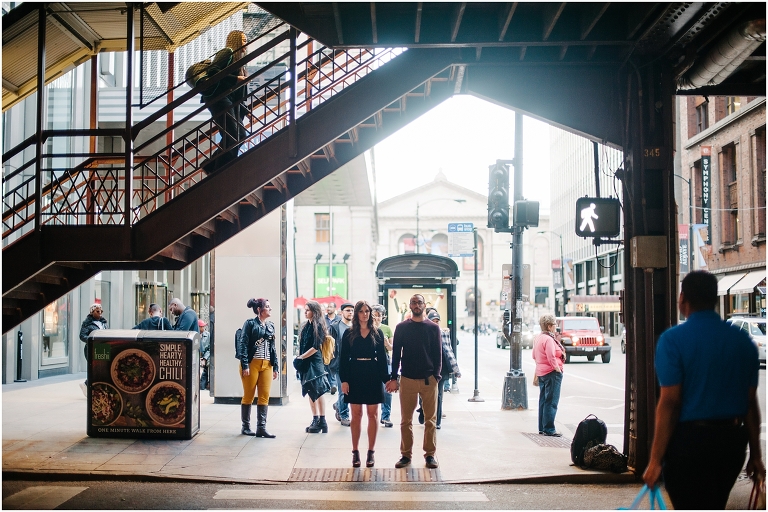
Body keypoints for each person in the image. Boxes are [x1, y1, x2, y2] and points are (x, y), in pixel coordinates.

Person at [643, 271, 764, 509]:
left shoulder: (673, 340)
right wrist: (756, 455)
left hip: (689, 444)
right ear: (715, 299)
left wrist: (655, 460)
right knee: (715, 503)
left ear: (683, 298)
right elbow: (750, 403)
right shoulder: (742, 341)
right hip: (731, 444)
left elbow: (670, 402)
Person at [386, 294, 442, 469]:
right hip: (407, 379)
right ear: (410, 306)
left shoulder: (433, 328)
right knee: (405, 420)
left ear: (424, 305)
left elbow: (438, 354)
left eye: (419, 302)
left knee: (430, 420)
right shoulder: (402, 327)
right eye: (413, 302)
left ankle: (430, 455)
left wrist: (436, 376)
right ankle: (405, 455)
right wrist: (393, 377)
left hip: (428, 380)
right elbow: (396, 354)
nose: (416, 305)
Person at [339, 301, 389, 468]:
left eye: (367, 311)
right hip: (354, 373)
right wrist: (344, 380)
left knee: (373, 414)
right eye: (361, 311)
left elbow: (382, 358)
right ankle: (355, 452)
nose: (364, 314)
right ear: (356, 314)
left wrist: (387, 379)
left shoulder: (377, 333)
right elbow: (343, 358)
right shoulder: (349, 333)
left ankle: (371, 452)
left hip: (373, 374)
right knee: (356, 414)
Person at [202, 30, 249, 173]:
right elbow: (212, 71)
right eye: (243, 40)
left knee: (240, 135)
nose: (246, 43)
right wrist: (235, 79)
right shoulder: (227, 52)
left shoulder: (240, 62)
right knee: (233, 136)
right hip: (220, 98)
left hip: (231, 101)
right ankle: (220, 171)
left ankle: (210, 166)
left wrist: (245, 111)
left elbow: (238, 93)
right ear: (235, 41)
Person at [238, 298, 279, 438]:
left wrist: (275, 366)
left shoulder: (271, 325)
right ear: (259, 310)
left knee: (264, 396)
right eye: (267, 306)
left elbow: (273, 348)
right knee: (248, 395)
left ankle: (261, 428)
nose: (270, 309)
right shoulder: (250, 323)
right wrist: (245, 365)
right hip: (252, 364)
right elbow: (243, 344)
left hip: (267, 365)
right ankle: (245, 427)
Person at [296, 300, 332, 433]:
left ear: (314, 311)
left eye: (308, 310)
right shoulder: (306, 326)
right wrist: (301, 358)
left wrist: (301, 357)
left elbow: (316, 347)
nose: (305, 312)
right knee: (310, 391)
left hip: (315, 363)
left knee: (319, 391)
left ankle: (322, 421)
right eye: (305, 310)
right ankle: (315, 419)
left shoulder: (319, 326)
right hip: (306, 363)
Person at [426, 310, 461, 430]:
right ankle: (425, 414)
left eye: (437, 321)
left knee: (439, 395)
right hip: (427, 369)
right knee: (427, 395)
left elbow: (449, 351)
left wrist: (456, 370)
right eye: (433, 321)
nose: (435, 323)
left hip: (441, 369)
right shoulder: (424, 333)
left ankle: (437, 421)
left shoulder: (444, 334)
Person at [532, 314, 564, 437]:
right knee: (551, 402)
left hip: (542, 373)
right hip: (552, 373)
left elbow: (534, 355)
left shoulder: (538, 338)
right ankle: (549, 429)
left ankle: (542, 427)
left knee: (543, 400)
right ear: (549, 326)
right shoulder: (549, 339)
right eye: (555, 324)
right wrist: (557, 369)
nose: (556, 326)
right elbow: (551, 357)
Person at [331, 302, 354, 427]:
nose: (350, 312)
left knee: (352, 389)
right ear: (341, 312)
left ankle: (338, 405)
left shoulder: (356, 326)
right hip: (340, 363)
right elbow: (330, 345)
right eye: (348, 310)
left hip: (354, 363)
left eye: (352, 310)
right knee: (343, 390)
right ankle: (344, 415)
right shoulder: (335, 327)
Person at [371, 304, 394, 428]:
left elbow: (391, 348)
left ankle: (386, 416)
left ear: (383, 317)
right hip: (370, 361)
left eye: (379, 315)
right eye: (374, 315)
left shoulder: (387, 329)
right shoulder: (366, 328)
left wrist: (386, 344)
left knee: (387, 389)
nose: (376, 318)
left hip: (385, 360)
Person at [79, 303, 107, 396]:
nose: (100, 313)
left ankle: (96, 388)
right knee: (94, 369)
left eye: (101, 311)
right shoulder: (87, 323)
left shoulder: (104, 323)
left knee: (103, 369)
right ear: (92, 312)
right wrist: (93, 340)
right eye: (97, 311)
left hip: (102, 348)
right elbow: (82, 336)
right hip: (92, 348)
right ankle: (87, 385)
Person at [199, 320, 211, 391]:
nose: (204, 328)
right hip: (197, 357)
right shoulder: (194, 335)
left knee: (204, 372)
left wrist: (204, 358)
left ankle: (204, 385)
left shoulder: (208, 335)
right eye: (202, 326)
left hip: (205, 357)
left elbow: (210, 348)